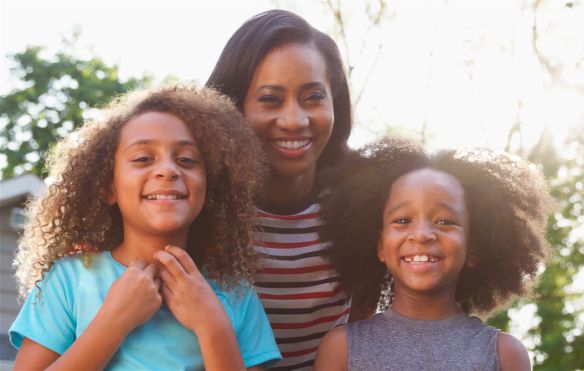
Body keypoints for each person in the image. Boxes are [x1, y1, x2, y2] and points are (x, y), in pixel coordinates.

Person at [9, 86, 282, 370]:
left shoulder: (236, 294)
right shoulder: (69, 280)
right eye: (143, 158)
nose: (168, 170)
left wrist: (213, 326)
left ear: (209, 188)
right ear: (108, 187)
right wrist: (114, 321)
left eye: (186, 160)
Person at [315, 139, 554, 370]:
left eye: (444, 221)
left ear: (473, 248)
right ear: (380, 247)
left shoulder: (504, 355)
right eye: (402, 220)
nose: (421, 235)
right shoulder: (342, 349)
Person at [206, 9, 359, 370]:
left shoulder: (364, 208)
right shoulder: (198, 206)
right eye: (271, 99)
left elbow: (363, 336)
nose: (294, 120)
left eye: (313, 97)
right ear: (232, 108)